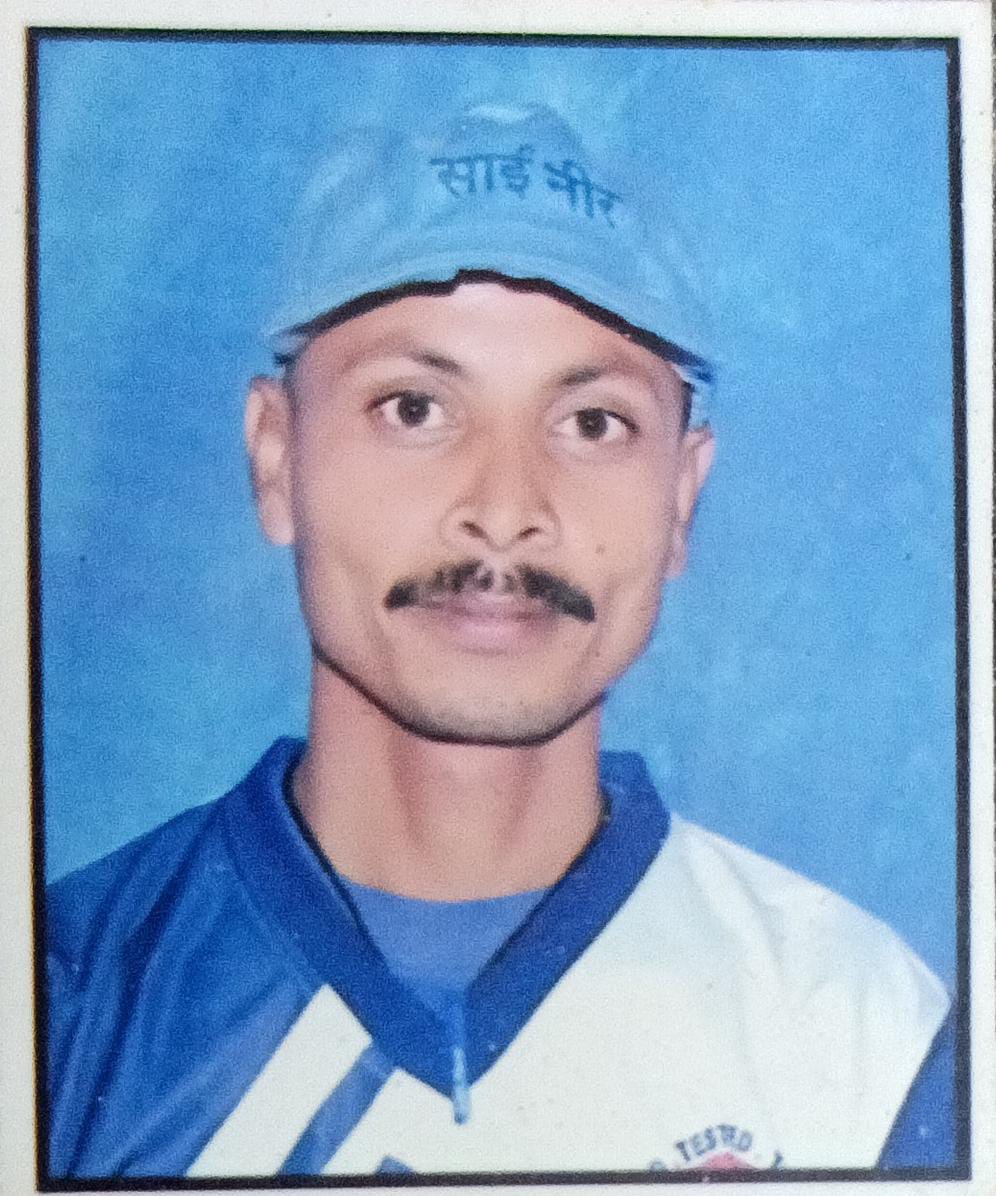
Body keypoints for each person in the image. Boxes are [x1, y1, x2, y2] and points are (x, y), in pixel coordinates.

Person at [45, 100, 953, 1179]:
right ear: (277, 458)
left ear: (680, 498)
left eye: (593, 423)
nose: (506, 509)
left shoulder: (860, 1030)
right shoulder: (62, 1003)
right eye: (414, 409)